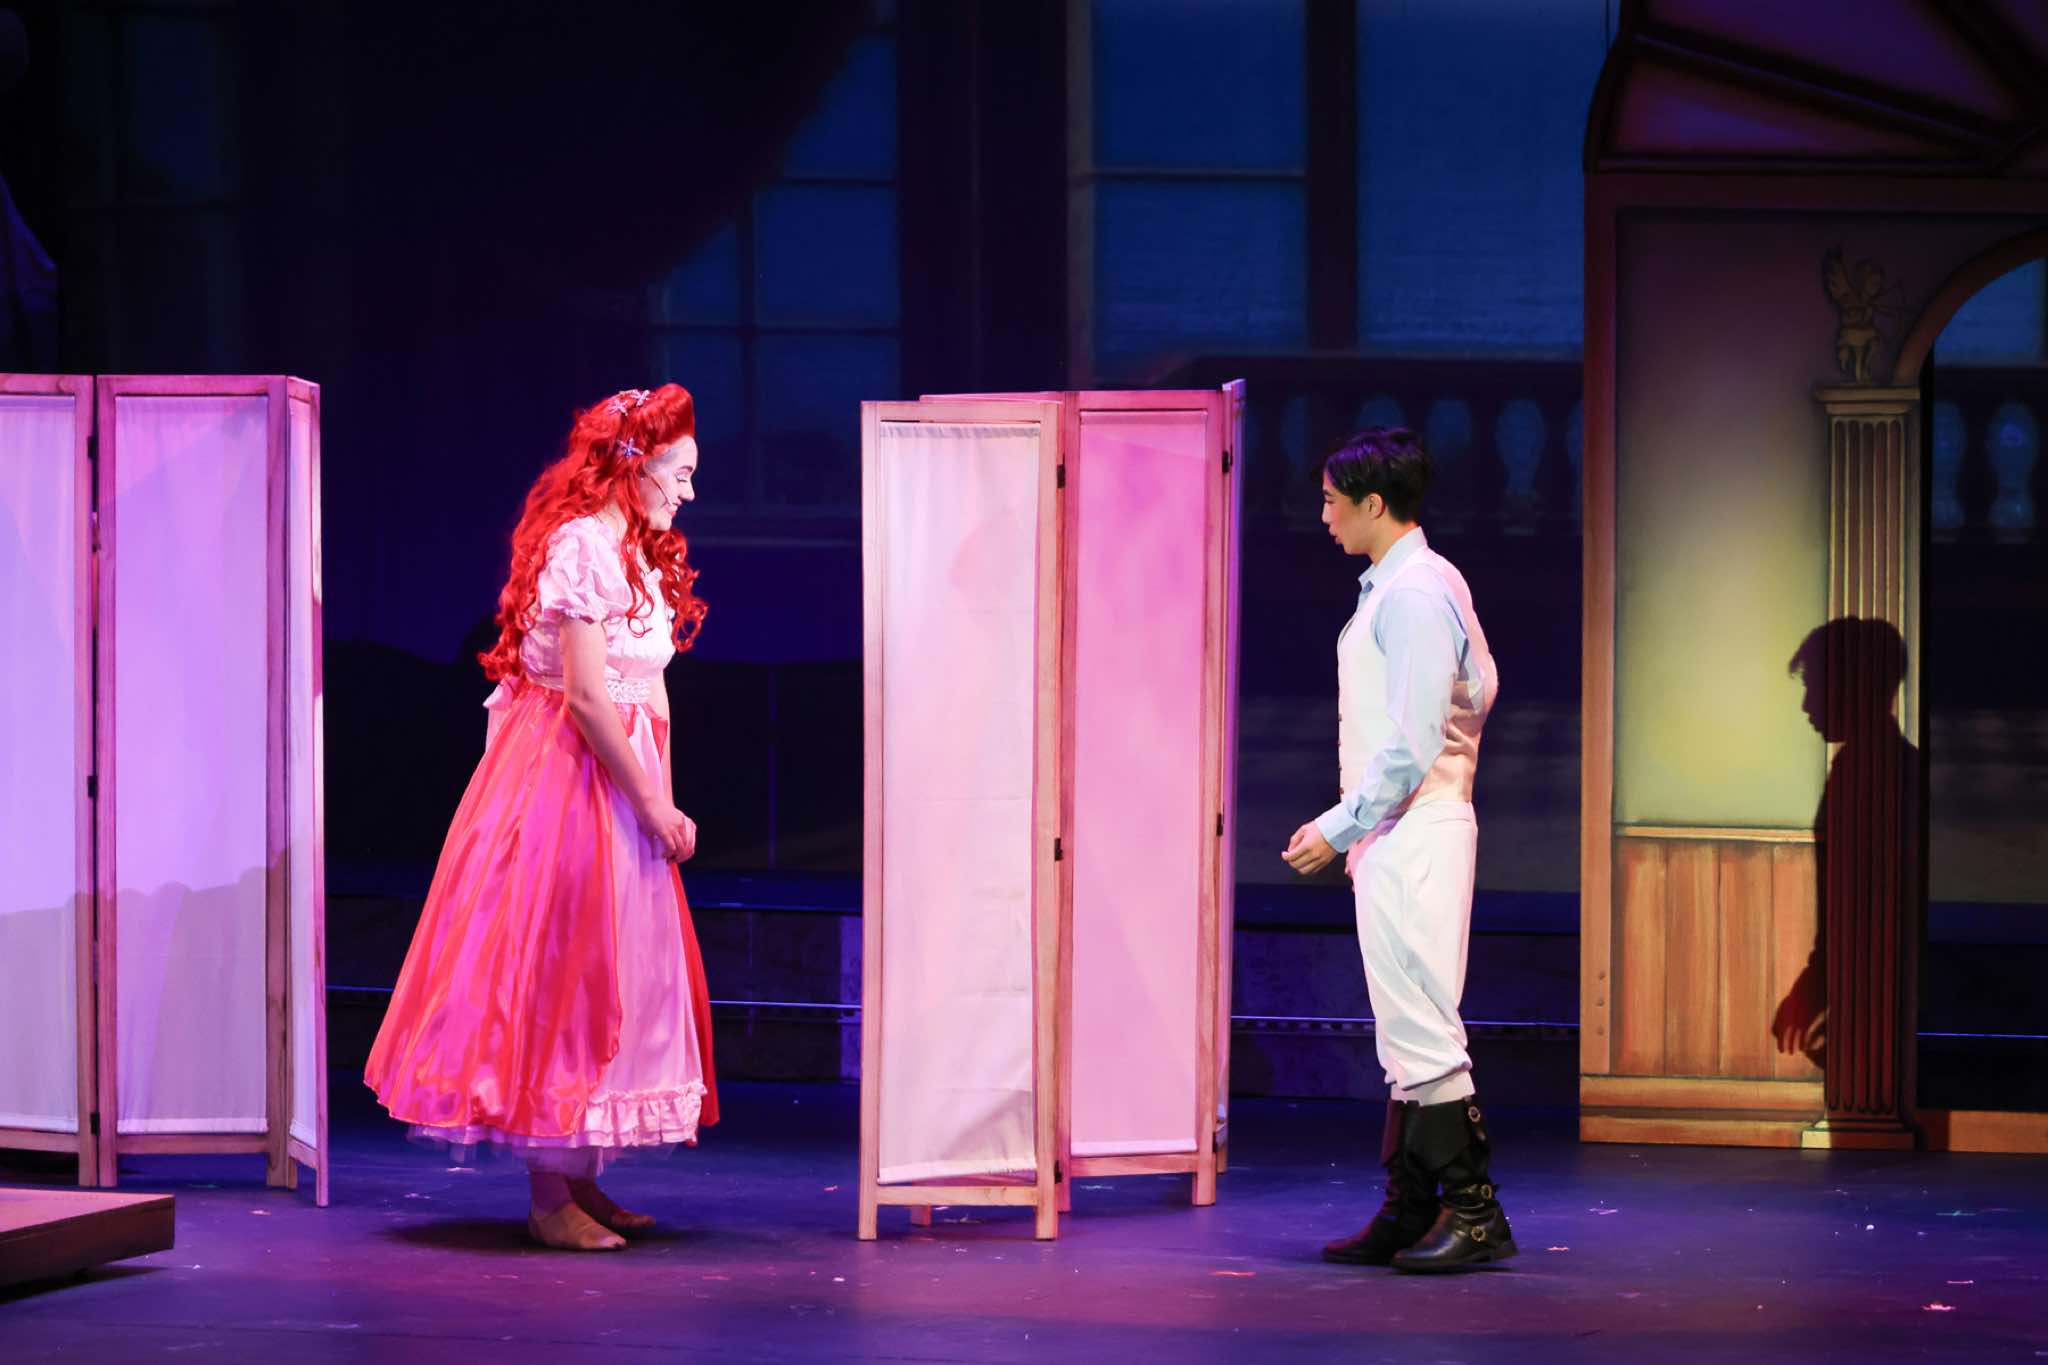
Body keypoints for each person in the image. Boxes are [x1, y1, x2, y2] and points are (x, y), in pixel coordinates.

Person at [366, 384, 719, 1251]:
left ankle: (581, 1173)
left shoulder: (635, 550)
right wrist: (652, 801)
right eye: (679, 472)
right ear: (634, 466)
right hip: (570, 783)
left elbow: (646, 685)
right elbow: (589, 698)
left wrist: (660, 793)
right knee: (565, 970)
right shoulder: (582, 547)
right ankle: (548, 1194)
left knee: (616, 972)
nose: (689, 490)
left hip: (622, 783)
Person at [1280, 426, 1514, 1273]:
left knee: (1422, 1024)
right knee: (1405, 1031)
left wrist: (1339, 824)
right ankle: (1412, 1204)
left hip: (1413, 827)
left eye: (1331, 501)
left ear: (1374, 504)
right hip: (1402, 829)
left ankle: (1473, 1209)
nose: (1323, 516)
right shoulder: (1418, 582)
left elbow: (1413, 742)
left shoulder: (1414, 594)